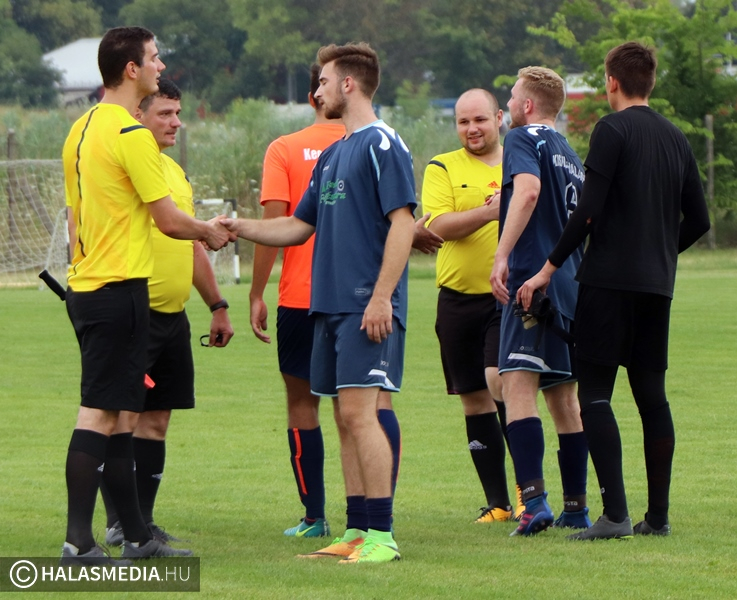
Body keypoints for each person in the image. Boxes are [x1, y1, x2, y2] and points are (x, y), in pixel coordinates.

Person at [226, 42, 415, 564]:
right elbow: (296, 226)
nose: (318, 92)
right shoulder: (334, 154)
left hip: (364, 307)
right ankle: (355, 531)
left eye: (324, 82)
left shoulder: (383, 143)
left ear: (348, 84)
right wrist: (238, 227)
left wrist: (381, 298)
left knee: (359, 414)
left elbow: (403, 223)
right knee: (345, 417)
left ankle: (382, 536)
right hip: (326, 309)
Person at [518, 43, 710, 540]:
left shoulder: (611, 129)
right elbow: (700, 220)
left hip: (606, 282)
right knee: (652, 398)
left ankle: (616, 516)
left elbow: (587, 211)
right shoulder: (677, 138)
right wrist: (660, 253)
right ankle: (658, 518)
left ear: (611, 82)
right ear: (651, 81)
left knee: (596, 395)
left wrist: (547, 269)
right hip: (656, 286)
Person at [61, 26, 233, 564]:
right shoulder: (130, 134)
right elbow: (168, 220)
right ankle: (78, 542)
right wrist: (209, 230)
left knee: (120, 417)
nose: (161, 66)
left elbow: (77, 220)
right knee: (98, 415)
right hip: (119, 291)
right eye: (155, 58)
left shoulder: (81, 128)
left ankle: (136, 537)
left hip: (91, 288)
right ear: (131, 69)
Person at [101, 79, 234, 547]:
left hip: (173, 318)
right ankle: (119, 523)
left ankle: (142, 523)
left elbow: (192, 245)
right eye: (165, 114)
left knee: (156, 422)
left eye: (178, 113)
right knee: (120, 420)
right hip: (133, 314)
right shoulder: (125, 164)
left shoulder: (175, 173)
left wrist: (217, 305)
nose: (176, 122)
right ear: (138, 115)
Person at [490, 66, 591, 537]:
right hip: (568, 283)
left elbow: (527, 191)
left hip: (532, 280)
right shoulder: (571, 154)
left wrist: (502, 255)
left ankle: (533, 502)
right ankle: (576, 507)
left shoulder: (521, 138)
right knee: (565, 396)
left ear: (528, 105)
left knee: (516, 385)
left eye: (512, 96)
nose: (509, 104)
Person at [421, 88, 520, 524]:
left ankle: (529, 494)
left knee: (505, 386)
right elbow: (439, 226)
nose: (472, 129)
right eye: (463, 122)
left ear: (498, 118)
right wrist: (490, 212)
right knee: (474, 400)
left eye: (479, 119)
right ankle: (498, 503)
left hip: (507, 299)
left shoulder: (520, 160)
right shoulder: (442, 167)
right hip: (457, 301)